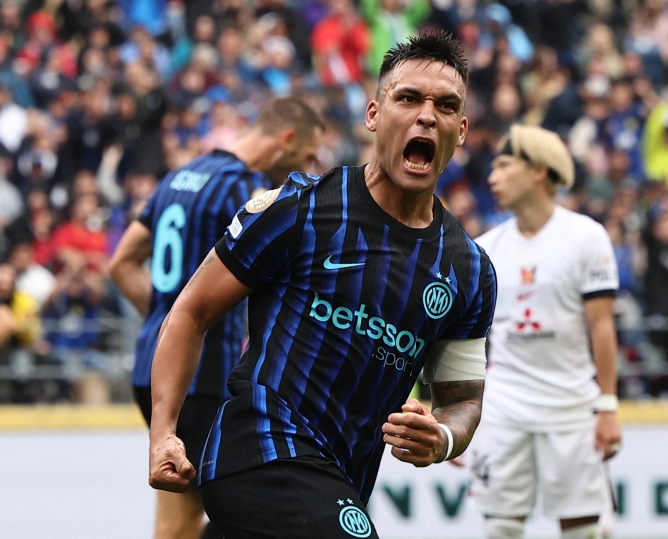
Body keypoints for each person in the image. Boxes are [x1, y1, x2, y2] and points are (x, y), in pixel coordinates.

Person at [147, 32, 497, 539]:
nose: (427, 116)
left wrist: (441, 437)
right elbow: (190, 311)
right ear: (374, 114)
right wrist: (163, 434)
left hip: (340, 477)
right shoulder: (299, 208)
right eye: (408, 98)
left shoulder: (469, 270)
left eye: (445, 105)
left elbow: (462, 400)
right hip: (257, 449)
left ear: (460, 130)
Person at [108, 96, 324, 539]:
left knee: (182, 513)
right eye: (305, 157)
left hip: (152, 368)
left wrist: (166, 325)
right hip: (201, 375)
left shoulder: (180, 176)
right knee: (239, 512)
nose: (304, 168)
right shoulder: (244, 188)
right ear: (285, 140)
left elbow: (121, 263)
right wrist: (188, 328)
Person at [469, 124, 622, 539]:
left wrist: (608, 407)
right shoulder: (485, 248)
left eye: (504, 165)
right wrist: (460, 415)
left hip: (571, 407)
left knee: (583, 530)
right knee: (500, 527)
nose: (492, 178)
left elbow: (602, 326)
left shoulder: (586, 237)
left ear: (538, 171)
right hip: (503, 408)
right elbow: (469, 339)